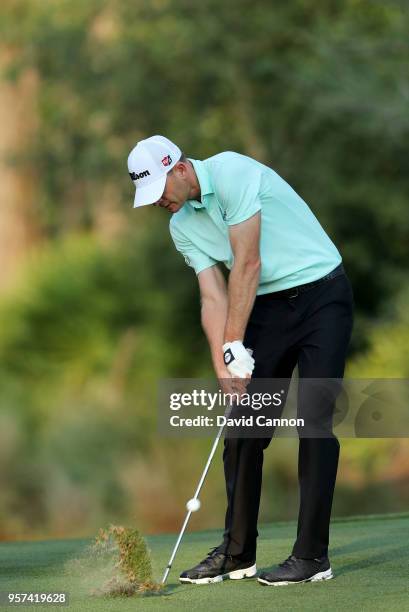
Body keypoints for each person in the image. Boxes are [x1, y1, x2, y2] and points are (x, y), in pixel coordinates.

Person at [127, 135, 354, 586]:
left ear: (179, 168)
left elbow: (247, 262)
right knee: (243, 433)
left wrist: (235, 338)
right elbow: (212, 295)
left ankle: (311, 557)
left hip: (322, 295)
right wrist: (222, 360)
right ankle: (237, 552)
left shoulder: (233, 172)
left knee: (313, 423)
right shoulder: (181, 227)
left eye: (159, 191)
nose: (158, 203)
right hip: (266, 308)